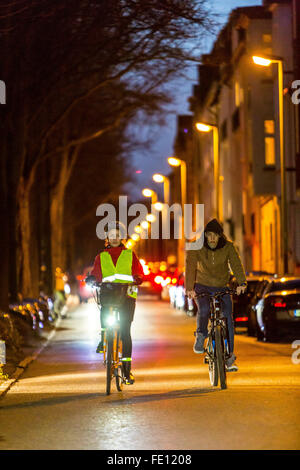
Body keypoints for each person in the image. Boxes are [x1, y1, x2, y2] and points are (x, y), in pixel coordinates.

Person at [185, 219, 247, 372]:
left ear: (220, 236)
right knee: (204, 310)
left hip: (221, 285)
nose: (212, 238)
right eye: (209, 235)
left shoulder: (228, 247)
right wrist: (189, 288)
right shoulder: (196, 247)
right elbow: (190, 266)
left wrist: (242, 283)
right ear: (205, 235)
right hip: (202, 285)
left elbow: (236, 264)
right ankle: (201, 335)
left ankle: (229, 356)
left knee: (227, 318)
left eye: (216, 235)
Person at [86, 222, 144, 385]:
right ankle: (104, 336)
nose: (114, 238)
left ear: (122, 237)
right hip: (108, 294)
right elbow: (97, 273)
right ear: (107, 238)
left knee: (125, 331)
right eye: (111, 235)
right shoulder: (101, 256)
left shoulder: (130, 255)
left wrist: (138, 277)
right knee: (104, 313)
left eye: (117, 235)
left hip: (127, 296)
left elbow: (138, 271)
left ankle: (126, 370)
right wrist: (92, 278)